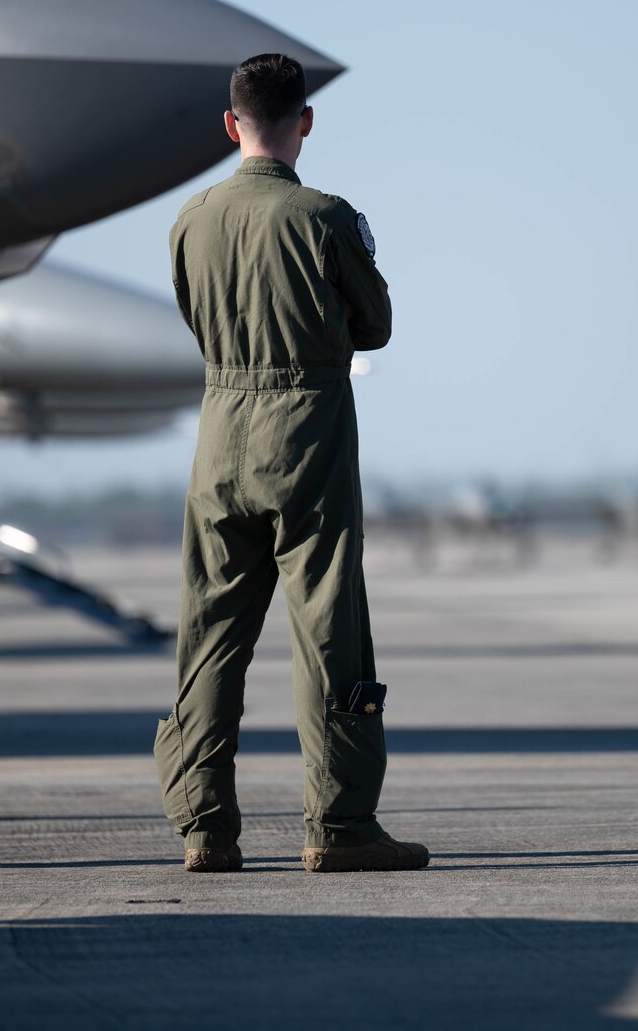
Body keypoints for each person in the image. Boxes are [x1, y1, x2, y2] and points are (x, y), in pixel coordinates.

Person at [154, 52, 427, 874]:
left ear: (231, 125)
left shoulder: (189, 221)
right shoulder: (325, 217)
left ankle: (204, 826)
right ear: (303, 121)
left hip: (218, 434)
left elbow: (199, 322)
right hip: (306, 431)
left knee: (209, 637)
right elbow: (374, 324)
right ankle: (339, 824)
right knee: (328, 630)